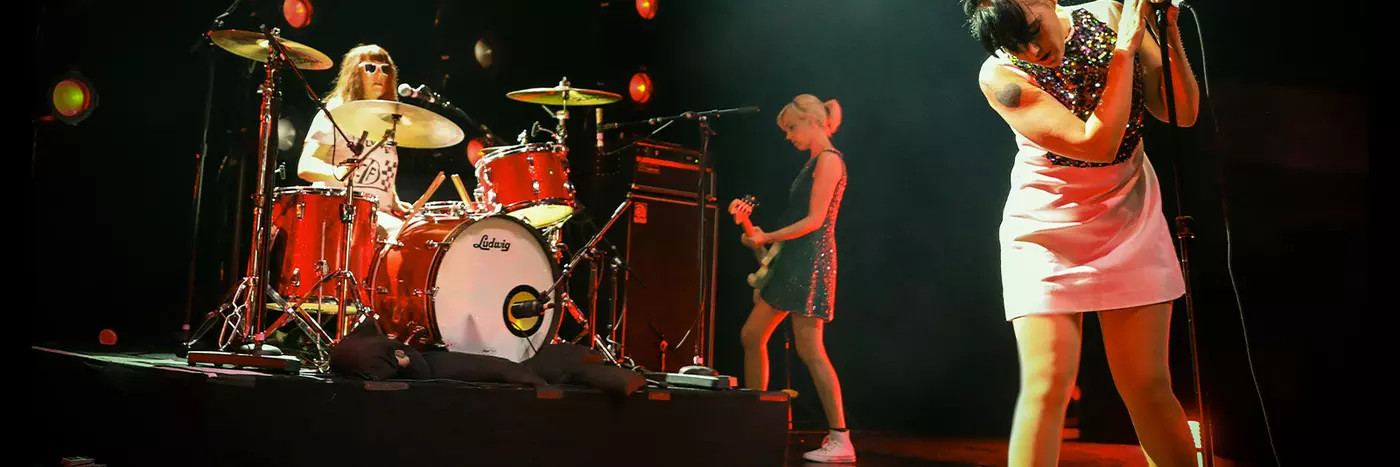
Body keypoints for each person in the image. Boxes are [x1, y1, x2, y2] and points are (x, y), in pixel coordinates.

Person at [960, 0, 1201, 465]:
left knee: (1148, 385)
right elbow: (1096, 144)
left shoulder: (1111, 15)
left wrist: (1166, 34)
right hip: (1047, 226)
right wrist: (1124, 52)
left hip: (1129, 212)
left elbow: (1181, 111)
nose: (1032, 49)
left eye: (1033, 30)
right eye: (1015, 43)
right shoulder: (999, 76)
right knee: (1047, 385)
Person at [739, 94, 854, 463]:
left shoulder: (829, 161)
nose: (788, 135)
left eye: (791, 127)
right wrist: (763, 239)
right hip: (796, 259)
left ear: (812, 121)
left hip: (810, 263)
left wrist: (767, 237)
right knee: (753, 335)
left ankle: (841, 438)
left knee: (810, 350)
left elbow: (815, 220)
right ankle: (757, 419)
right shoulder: (814, 162)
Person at [298, 44, 413, 242]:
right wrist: (336, 172)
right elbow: (306, 166)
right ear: (354, 73)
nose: (380, 75)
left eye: (385, 69)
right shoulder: (334, 113)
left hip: (378, 215)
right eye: (370, 68)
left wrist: (394, 201)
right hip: (341, 213)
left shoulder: (388, 121)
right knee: (401, 238)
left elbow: (381, 170)